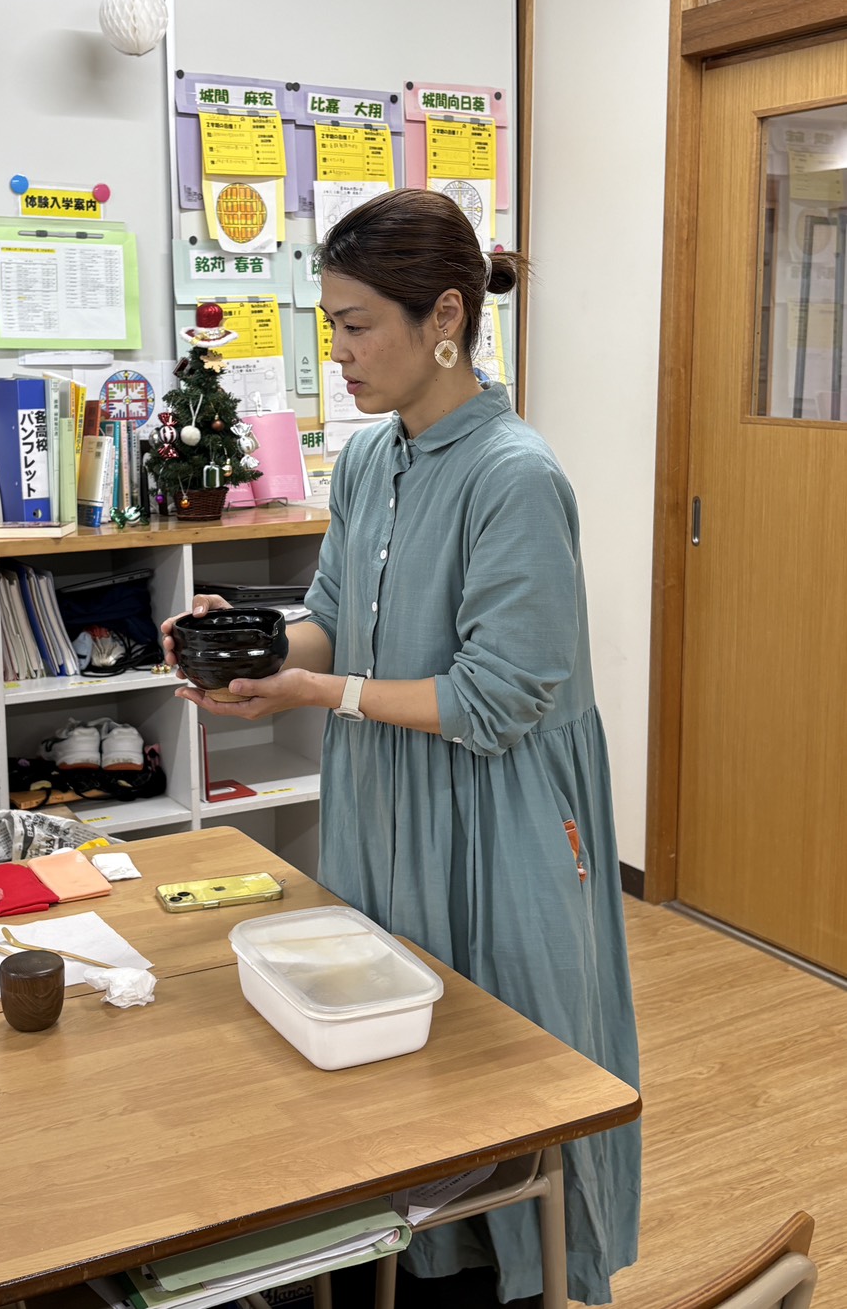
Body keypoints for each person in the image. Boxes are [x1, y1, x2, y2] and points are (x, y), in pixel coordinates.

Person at [161, 189, 640, 1308]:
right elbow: (334, 617)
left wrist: (316, 689)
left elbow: (499, 696)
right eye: (329, 323)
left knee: (501, 1070)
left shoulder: (515, 476)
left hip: (499, 815)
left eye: (357, 324)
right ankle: (408, 1267)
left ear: (446, 317)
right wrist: (258, 650)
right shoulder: (372, 459)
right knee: (392, 1072)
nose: (338, 352)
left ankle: (510, 1277)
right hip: (386, 794)